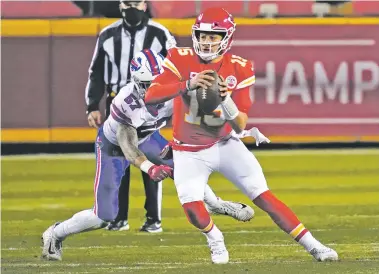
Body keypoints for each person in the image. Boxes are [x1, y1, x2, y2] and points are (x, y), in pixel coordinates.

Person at [145, 7, 339, 264]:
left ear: (226, 38)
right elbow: (151, 95)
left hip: (225, 144)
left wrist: (225, 99)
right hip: (188, 150)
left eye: (213, 37)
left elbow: (239, 125)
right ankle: (215, 238)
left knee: (264, 196)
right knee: (193, 210)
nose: (206, 41)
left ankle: (314, 246)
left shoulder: (240, 68)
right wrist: (187, 85)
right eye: (203, 35)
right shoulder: (180, 58)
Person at [41, 49, 262, 261]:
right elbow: (127, 144)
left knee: (186, 167)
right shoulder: (126, 102)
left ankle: (214, 204)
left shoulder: (175, 86)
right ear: (136, 81)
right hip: (114, 146)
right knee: (103, 216)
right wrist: (150, 168)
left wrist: (236, 130)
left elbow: (204, 110)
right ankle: (56, 234)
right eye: (150, 84)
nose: (156, 87)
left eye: (161, 81)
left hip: (149, 138)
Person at [85, 0, 176, 232]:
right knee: (120, 157)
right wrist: (92, 104)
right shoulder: (107, 34)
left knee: (151, 156)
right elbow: (96, 71)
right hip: (118, 100)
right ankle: (118, 217)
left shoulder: (160, 33)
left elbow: (176, 67)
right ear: (120, 5)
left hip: (150, 101)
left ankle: (153, 218)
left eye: (137, 2)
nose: (132, 7)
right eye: (128, 2)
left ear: (145, 5)